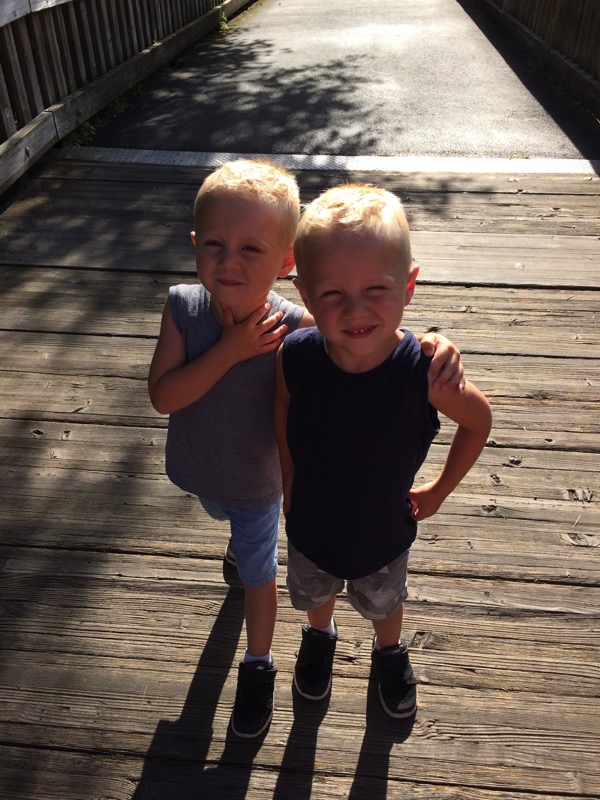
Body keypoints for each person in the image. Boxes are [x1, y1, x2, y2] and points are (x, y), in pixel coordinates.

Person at [148, 160, 465, 738]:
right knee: (241, 534)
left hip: (268, 491)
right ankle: (298, 612)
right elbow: (166, 398)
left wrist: (435, 343)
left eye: (251, 248)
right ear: (195, 244)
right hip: (207, 474)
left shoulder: (295, 324)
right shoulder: (186, 310)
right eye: (215, 245)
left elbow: (363, 332)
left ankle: (272, 662)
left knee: (276, 572)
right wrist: (231, 350)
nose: (230, 261)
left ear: (284, 263)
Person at [274, 183, 492, 719]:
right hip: (311, 524)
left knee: (385, 602)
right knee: (315, 594)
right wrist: (288, 473)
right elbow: (283, 402)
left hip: (384, 533)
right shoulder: (295, 354)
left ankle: (389, 650)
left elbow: (478, 421)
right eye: (332, 294)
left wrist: (439, 491)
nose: (356, 309)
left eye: (376, 288)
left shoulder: (424, 372)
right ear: (304, 294)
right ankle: (320, 635)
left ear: (409, 286)